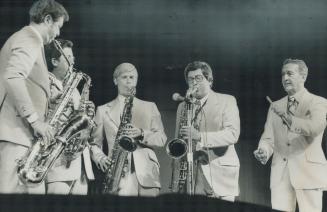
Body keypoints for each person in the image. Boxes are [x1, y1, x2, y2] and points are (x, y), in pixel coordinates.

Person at [0, 0, 69, 194]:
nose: (58, 34)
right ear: (48, 19)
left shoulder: (29, 40)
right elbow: (13, 77)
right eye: (58, 26)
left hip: (21, 135)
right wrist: (35, 120)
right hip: (16, 133)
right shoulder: (29, 38)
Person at [254, 59, 327, 212]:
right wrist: (264, 150)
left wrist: (289, 119)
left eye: (290, 73)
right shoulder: (275, 106)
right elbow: (268, 137)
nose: (285, 78)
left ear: (303, 76)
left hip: (308, 172)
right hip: (280, 174)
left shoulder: (318, 102)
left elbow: (316, 127)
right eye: (282, 75)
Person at [90, 62, 167, 196]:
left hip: (147, 172)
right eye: (124, 77)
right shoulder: (102, 110)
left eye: (132, 78)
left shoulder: (150, 107)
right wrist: (101, 158)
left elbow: (161, 139)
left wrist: (142, 133)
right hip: (117, 173)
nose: (128, 81)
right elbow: (94, 143)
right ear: (115, 80)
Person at [173, 61, 240, 201]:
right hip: (193, 174)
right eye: (190, 79)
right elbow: (178, 142)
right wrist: (176, 178)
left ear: (210, 80)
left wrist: (199, 136)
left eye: (198, 78)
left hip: (221, 172)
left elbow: (232, 134)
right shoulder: (182, 106)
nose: (194, 83)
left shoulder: (227, 100)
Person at [44, 39, 95, 195]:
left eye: (73, 57)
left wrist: (88, 114)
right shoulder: (44, 82)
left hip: (79, 164)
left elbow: (81, 123)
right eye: (68, 57)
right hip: (58, 163)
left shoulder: (74, 90)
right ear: (54, 61)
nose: (73, 61)